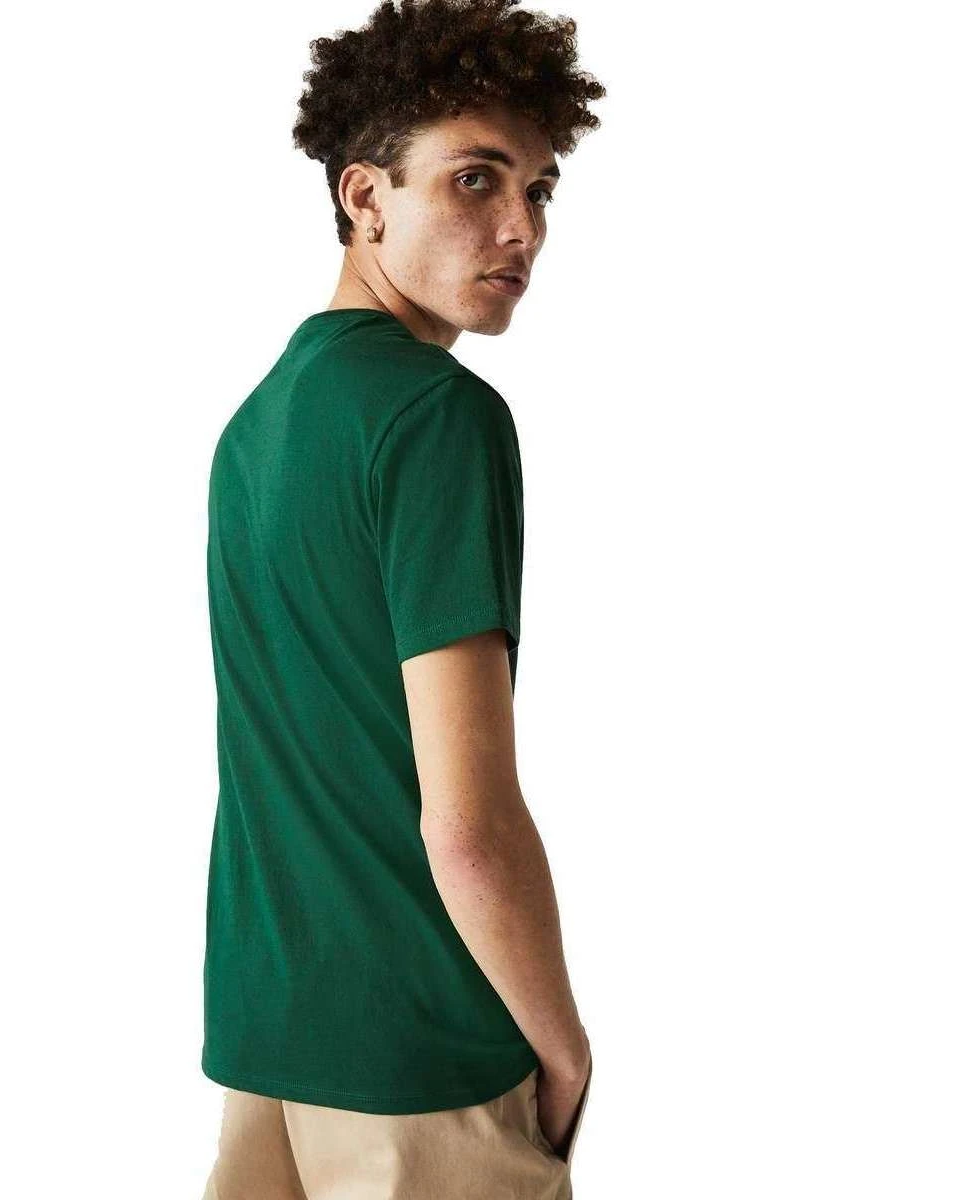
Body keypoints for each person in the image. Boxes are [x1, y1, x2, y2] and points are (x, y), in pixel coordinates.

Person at [201, 1, 605, 1195]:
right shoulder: (437, 418)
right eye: (476, 179)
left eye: (539, 188)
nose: (522, 226)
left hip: (268, 1039)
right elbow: (466, 824)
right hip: (420, 1062)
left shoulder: (254, 426)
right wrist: (565, 1051)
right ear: (365, 197)